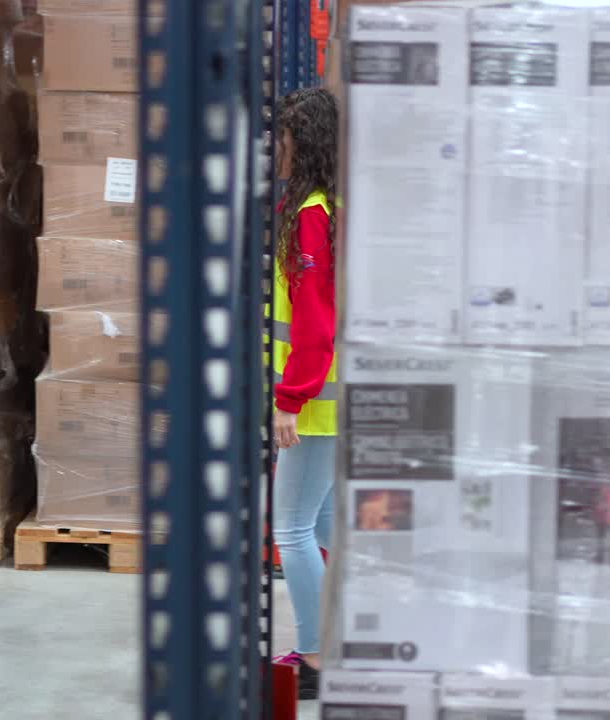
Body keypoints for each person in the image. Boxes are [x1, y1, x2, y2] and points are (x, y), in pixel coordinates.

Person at [269, 87, 339, 701]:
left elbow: (315, 325)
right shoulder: (323, 207)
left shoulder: (313, 216)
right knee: (326, 524)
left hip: (317, 406)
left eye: (286, 136)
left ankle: (318, 656)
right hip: (328, 401)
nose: (278, 147)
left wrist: (290, 399)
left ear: (306, 141)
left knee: (290, 528)